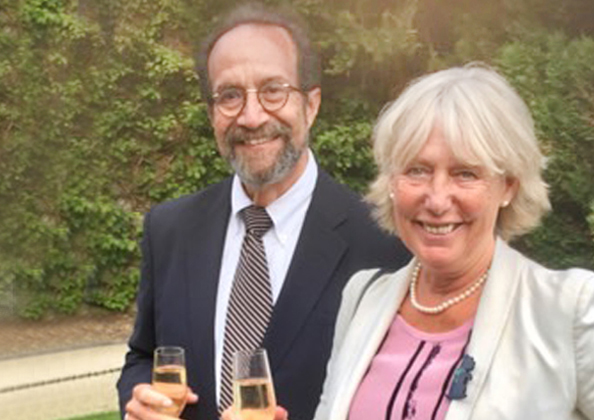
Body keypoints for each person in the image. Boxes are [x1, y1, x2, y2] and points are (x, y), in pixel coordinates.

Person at [225, 63, 594, 419]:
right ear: (392, 181)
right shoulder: (363, 297)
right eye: (416, 170)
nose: (436, 198)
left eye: (465, 173)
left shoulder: (565, 310)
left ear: (508, 184)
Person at [117, 3, 409, 420]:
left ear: (311, 104)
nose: (251, 117)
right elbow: (143, 355)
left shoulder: (384, 241)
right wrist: (139, 401)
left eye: (274, 90)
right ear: (212, 113)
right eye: (230, 95)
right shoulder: (169, 230)